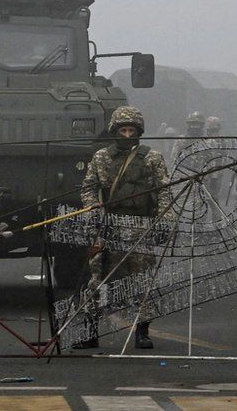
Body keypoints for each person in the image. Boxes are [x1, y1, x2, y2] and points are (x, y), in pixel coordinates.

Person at [77, 106, 172, 349]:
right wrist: (94, 211)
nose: (127, 135)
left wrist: (165, 221)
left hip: (140, 226)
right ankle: (90, 332)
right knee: (96, 280)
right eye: (123, 130)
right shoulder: (101, 158)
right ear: (115, 131)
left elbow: (164, 191)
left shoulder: (152, 158)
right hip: (108, 226)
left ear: (138, 131)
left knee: (142, 281)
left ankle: (142, 332)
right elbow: (88, 187)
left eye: (132, 130)